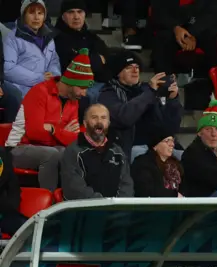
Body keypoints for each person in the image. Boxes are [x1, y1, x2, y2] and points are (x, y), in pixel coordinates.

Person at [6, 48, 92, 191]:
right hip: (18, 148)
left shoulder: (73, 101)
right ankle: (48, 201)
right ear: (70, 82)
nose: (84, 94)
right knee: (52, 154)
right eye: (82, 88)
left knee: (72, 152)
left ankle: (71, 197)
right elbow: (35, 133)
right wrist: (62, 133)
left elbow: (74, 138)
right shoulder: (39, 92)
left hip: (50, 147)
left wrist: (53, 129)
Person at [99, 52, 182, 161]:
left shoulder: (146, 89)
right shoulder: (109, 93)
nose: (135, 70)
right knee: (141, 154)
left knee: (184, 156)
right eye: (129, 67)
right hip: (130, 147)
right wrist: (150, 92)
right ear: (118, 73)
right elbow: (124, 118)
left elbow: (171, 127)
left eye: (137, 67)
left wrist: (172, 99)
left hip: (158, 145)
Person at [61, 102, 133, 199]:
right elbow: (74, 189)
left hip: (117, 210)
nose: (99, 121)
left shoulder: (118, 151)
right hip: (87, 210)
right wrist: (103, 204)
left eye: (103, 118)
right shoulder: (73, 151)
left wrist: (119, 206)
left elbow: (126, 184)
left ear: (108, 123)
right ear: (85, 123)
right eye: (94, 117)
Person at [53, 0, 110, 103]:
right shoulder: (57, 38)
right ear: (63, 16)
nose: (76, 16)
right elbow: (71, 65)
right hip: (74, 86)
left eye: (80, 12)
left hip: (98, 83)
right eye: (71, 12)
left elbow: (108, 57)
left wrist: (85, 59)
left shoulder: (91, 37)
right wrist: (97, 59)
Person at [3, 0, 60, 99]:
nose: (36, 17)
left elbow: (54, 61)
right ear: (23, 15)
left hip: (46, 91)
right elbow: (8, 69)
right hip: (21, 93)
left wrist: (53, 77)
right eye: (31, 12)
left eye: (40, 13)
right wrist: (39, 78)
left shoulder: (49, 38)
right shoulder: (12, 38)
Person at [150, 0, 217, 76]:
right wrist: (175, 28)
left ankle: (216, 82)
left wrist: (191, 33)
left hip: (202, 28)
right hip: (174, 29)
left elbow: (214, 13)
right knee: (162, 39)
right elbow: (158, 13)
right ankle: (165, 82)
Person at [131, 128, 183, 198]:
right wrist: (174, 195)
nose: (172, 144)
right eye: (167, 141)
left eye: (172, 141)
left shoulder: (176, 164)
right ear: (155, 146)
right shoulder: (143, 164)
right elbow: (147, 190)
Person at [0, 147, 27, 234]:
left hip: (4, 210)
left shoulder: (3, 154)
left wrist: (11, 207)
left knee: (25, 226)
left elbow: (13, 184)